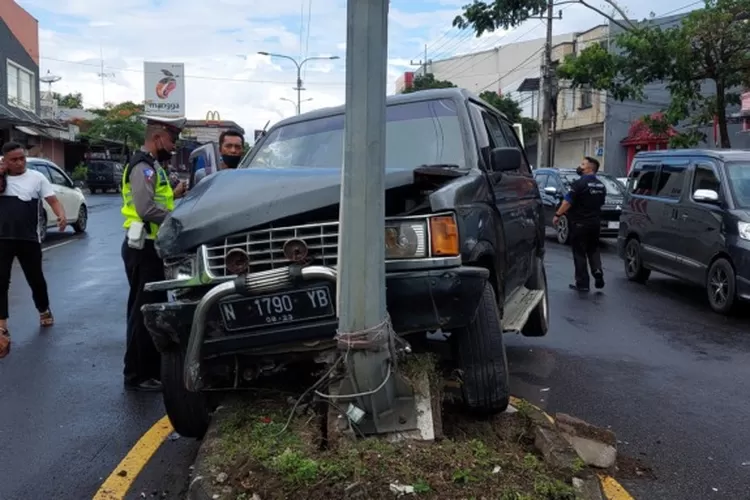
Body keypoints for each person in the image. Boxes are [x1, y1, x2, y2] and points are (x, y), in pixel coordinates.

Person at [121, 116, 187, 390]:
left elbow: (156, 200)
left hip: (150, 246)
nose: (173, 147)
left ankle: (146, 370)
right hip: (143, 248)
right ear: (158, 138)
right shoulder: (143, 167)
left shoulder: (152, 167)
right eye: (171, 140)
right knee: (142, 312)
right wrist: (178, 217)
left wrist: (177, 194)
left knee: (145, 308)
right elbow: (146, 209)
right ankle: (138, 375)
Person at [0, 142, 67, 359]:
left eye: (22, 158)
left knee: (35, 278)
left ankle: (43, 308)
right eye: (14, 159)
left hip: (28, 239)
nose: (19, 163)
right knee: (1, 281)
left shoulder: (37, 178)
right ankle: (2, 325)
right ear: (5, 161)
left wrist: (61, 214)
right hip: (2, 239)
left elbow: (52, 199)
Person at [553, 157, 606, 292]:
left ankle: (582, 283)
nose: (579, 166)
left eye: (582, 164)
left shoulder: (579, 184)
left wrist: (558, 215)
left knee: (580, 252)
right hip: (595, 223)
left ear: (590, 168)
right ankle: (597, 270)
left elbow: (567, 202)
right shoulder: (601, 186)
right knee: (593, 249)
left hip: (579, 224)